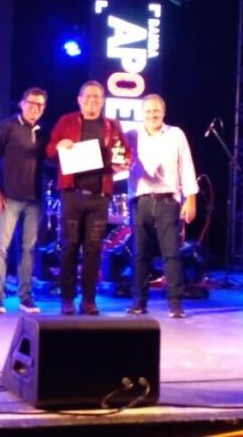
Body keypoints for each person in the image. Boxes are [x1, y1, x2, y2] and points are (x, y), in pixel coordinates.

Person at [46, 81, 132, 316]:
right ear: (79, 99)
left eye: (97, 97)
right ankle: (67, 299)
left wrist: (123, 162)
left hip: (99, 197)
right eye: (88, 96)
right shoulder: (66, 121)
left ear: (102, 101)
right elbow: (50, 150)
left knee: (93, 249)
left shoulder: (112, 125)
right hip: (72, 194)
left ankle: (89, 300)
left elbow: (125, 152)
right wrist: (58, 146)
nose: (92, 100)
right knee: (70, 247)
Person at [124, 94, 198, 318]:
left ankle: (175, 304)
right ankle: (139, 302)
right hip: (141, 200)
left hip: (168, 201)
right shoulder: (131, 134)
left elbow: (186, 166)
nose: (152, 115)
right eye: (148, 111)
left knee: (171, 254)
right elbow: (119, 162)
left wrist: (191, 198)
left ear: (163, 112)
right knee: (140, 254)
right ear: (141, 113)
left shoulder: (176, 134)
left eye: (156, 110)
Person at [0, 87, 48, 314]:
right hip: (8, 198)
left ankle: (26, 297)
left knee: (28, 250)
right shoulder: (7, 126)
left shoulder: (43, 132)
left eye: (40, 105)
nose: (35, 108)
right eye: (31, 103)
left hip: (34, 200)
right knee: (0, 249)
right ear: (22, 104)